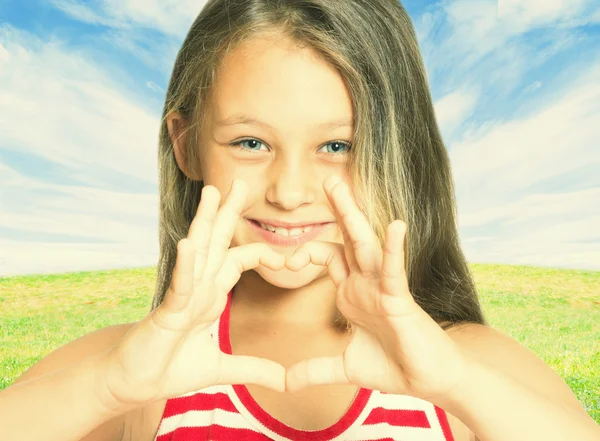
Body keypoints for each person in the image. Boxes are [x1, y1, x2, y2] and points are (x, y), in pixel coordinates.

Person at [1, 1, 598, 440]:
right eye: (251, 143)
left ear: (400, 152)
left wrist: (460, 386)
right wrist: (108, 385)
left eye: (337, 147)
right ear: (186, 146)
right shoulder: (136, 375)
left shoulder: (464, 368)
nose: (289, 192)